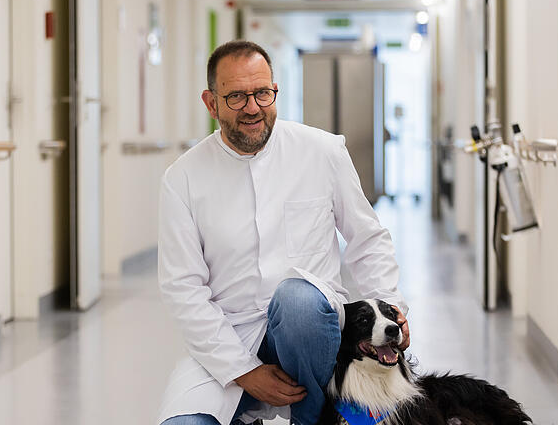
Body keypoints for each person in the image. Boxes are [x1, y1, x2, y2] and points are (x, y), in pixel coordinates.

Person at [157, 40, 409, 425]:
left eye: (262, 93)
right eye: (237, 97)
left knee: (297, 298)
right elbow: (183, 288)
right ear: (211, 103)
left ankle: (313, 419)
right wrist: (244, 371)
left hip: (314, 334)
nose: (253, 107)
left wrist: (391, 306)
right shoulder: (183, 179)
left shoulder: (322, 151)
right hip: (230, 339)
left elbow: (366, 237)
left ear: (275, 91)